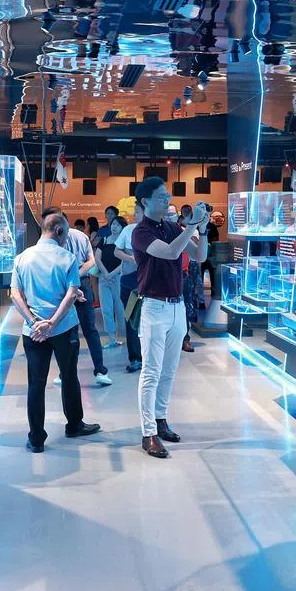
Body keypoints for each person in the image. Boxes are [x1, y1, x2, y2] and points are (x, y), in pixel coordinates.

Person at [11, 211, 101, 453]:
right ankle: (74, 425)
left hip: (33, 332)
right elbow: (71, 293)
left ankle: (37, 438)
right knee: (70, 376)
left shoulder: (22, 258)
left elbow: (15, 294)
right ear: (59, 231)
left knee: (35, 384)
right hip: (63, 328)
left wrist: (34, 322)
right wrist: (52, 323)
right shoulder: (67, 258)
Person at [131, 177, 208, 458]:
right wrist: (190, 225)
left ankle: (161, 419)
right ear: (145, 201)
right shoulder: (141, 233)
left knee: (169, 371)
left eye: (167, 195)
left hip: (176, 309)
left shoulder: (172, 226)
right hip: (154, 306)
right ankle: (148, 432)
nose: (167, 199)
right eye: (161, 196)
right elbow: (171, 252)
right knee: (151, 372)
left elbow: (199, 255)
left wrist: (203, 228)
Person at [45, 207, 112, 386]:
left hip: (66, 286)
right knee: (89, 329)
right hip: (82, 283)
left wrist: (74, 277)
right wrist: (80, 273)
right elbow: (91, 260)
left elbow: (58, 265)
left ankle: (65, 374)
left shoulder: (58, 237)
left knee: (68, 331)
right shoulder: (82, 236)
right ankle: (100, 371)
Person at [114, 203, 146, 372]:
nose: (134, 214)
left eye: (137, 211)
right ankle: (135, 358)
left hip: (149, 281)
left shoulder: (157, 231)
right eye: (134, 211)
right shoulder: (128, 230)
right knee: (132, 319)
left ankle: (150, 357)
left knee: (149, 320)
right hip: (129, 281)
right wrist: (130, 258)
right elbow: (116, 252)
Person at [97, 215, 128, 346]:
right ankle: (111, 338)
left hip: (118, 278)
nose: (114, 226)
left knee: (120, 309)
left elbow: (125, 261)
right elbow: (97, 258)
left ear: (122, 227)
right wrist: (106, 274)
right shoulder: (104, 240)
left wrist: (112, 274)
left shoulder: (124, 242)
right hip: (104, 279)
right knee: (106, 309)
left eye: (117, 225)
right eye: (113, 224)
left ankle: (124, 337)